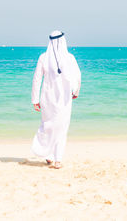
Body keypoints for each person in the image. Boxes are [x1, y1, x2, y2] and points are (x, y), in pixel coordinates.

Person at [31, 30, 81, 169]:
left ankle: (48, 155)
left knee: (48, 125)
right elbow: (77, 76)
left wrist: (35, 99)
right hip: (64, 99)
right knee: (61, 127)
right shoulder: (69, 58)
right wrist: (76, 91)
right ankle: (57, 159)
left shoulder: (43, 57)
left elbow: (36, 79)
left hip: (47, 98)